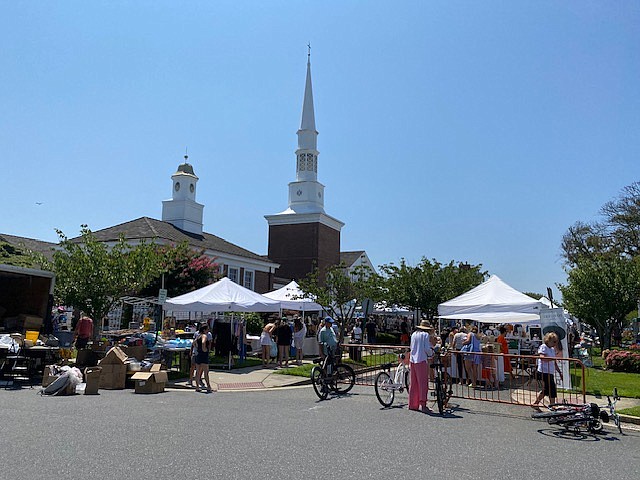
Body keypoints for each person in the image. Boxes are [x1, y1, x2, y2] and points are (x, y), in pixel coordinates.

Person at [408, 320, 435, 412]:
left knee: (413, 383)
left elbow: (411, 347)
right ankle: (423, 405)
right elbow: (427, 349)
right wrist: (432, 353)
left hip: (412, 359)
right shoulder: (425, 335)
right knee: (423, 383)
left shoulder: (414, 334)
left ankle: (412, 404)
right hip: (421, 359)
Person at [533, 332, 563, 406]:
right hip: (544, 371)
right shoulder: (543, 347)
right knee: (552, 389)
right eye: (554, 341)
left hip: (550, 372)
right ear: (548, 340)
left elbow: (554, 362)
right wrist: (551, 359)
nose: (555, 343)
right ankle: (552, 405)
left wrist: (559, 372)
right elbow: (542, 358)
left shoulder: (552, 349)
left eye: (556, 342)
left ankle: (536, 403)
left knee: (547, 390)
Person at [190, 323, 213, 387]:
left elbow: (194, 343)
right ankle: (208, 386)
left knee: (197, 371)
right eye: (207, 329)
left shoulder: (198, 336)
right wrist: (204, 349)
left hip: (198, 354)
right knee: (206, 372)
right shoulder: (204, 336)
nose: (208, 330)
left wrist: (197, 347)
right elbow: (203, 342)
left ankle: (197, 386)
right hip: (203, 355)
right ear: (204, 330)